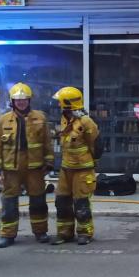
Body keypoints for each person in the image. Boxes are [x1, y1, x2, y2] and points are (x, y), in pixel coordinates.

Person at [0, 83, 54, 248]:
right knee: (9, 202)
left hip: (34, 167)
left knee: (38, 201)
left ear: (29, 100)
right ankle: (8, 235)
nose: (21, 102)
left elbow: (47, 142)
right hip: (11, 168)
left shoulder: (40, 118)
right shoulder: (3, 120)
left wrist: (49, 162)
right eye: (18, 100)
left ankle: (40, 232)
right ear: (12, 101)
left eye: (24, 99)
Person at [51, 86, 102, 245]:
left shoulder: (86, 122)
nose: (58, 105)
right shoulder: (65, 119)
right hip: (66, 168)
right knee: (62, 201)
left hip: (82, 169)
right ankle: (64, 233)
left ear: (67, 103)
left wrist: (92, 162)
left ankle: (85, 233)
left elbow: (97, 144)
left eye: (60, 102)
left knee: (81, 202)